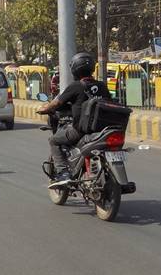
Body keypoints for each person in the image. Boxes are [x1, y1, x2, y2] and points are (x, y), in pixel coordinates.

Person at [36, 52, 111, 189]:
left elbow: (56, 104)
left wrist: (44, 109)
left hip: (81, 130)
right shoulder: (102, 86)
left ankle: (63, 173)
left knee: (53, 140)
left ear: (75, 69)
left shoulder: (76, 86)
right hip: (101, 130)